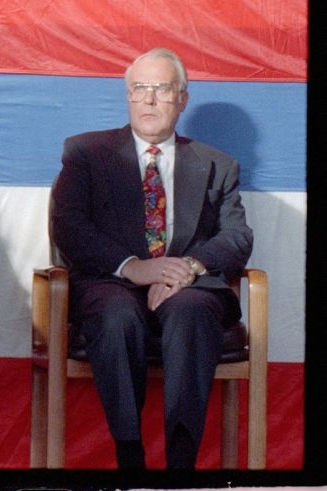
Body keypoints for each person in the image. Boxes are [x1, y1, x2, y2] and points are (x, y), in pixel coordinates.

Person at [50, 47, 252, 470]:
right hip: (112, 284)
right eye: (140, 88)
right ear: (127, 95)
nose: (149, 99)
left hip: (187, 288)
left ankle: (181, 466)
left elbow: (237, 236)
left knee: (192, 311)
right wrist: (135, 268)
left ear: (183, 98)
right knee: (118, 313)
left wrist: (188, 268)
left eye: (162, 89)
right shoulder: (87, 153)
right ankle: (130, 457)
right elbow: (68, 226)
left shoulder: (217, 164)